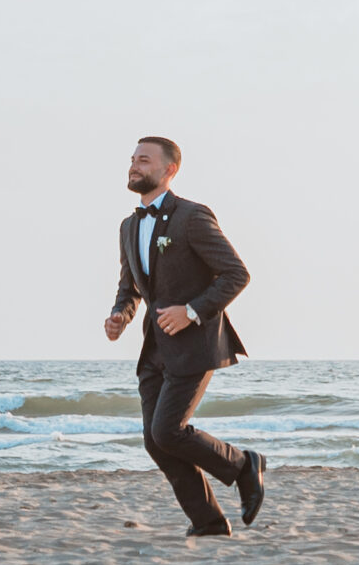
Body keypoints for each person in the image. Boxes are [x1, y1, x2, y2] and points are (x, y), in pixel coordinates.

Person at [103, 136, 266, 537]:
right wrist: (119, 315)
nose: (134, 166)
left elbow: (236, 274)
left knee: (168, 431)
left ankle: (243, 465)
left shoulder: (191, 216)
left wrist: (191, 311)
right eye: (132, 159)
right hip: (154, 348)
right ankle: (208, 522)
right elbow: (131, 287)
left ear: (169, 170)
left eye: (144, 160)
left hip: (195, 343)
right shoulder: (129, 227)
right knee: (156, 442)